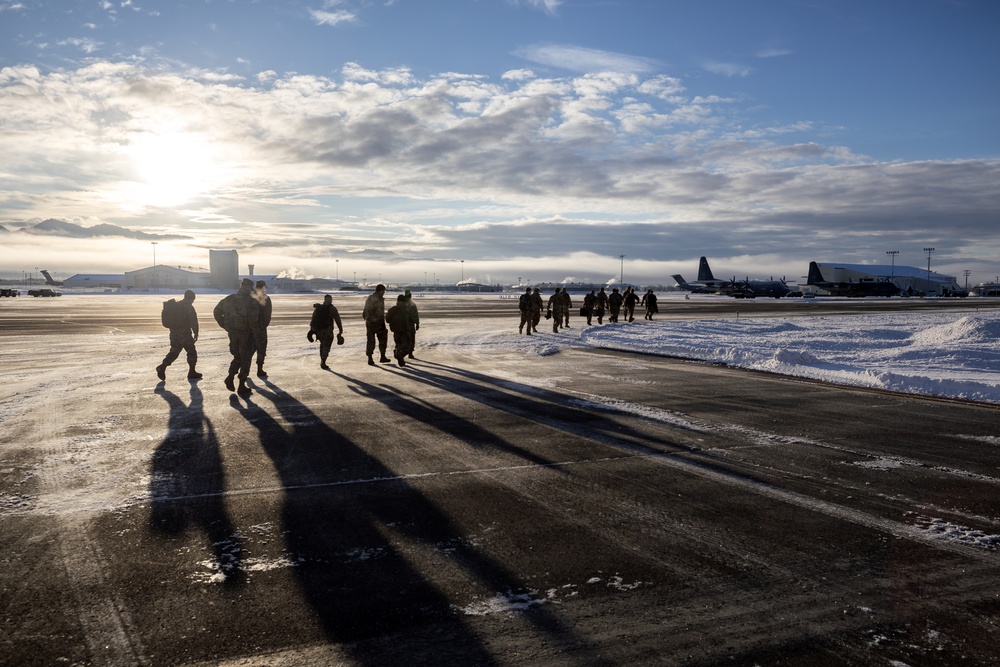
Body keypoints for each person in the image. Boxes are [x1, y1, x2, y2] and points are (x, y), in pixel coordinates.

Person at [214, 278, 260, 397]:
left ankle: (230, 377)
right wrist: (256, 334)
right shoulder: (251, 302)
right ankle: (241, 385)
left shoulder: (229, 299)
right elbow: (254, 320)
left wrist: (225, 325)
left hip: (233, 334)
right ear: (249, 288)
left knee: (238, 357)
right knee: (245, 359)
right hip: (246, 334)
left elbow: (216, 311)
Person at [156, 289, 201, 381]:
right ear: (191, 298)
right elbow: (193, 321)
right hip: (184, 333)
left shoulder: (177, 305)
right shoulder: (188, 306)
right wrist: (196, 332)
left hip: (174, 333)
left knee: (174, 351)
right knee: (191, 351)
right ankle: (192, 371)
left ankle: (162, 366)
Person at [309, 294, 343, 370]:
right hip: (328, 331)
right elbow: (338, 320)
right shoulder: (332, 309)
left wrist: (312, 329)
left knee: (322, 345)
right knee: (326, 346)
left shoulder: (318, 308)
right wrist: (340, 330)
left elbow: (313, 319)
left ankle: (322, 359)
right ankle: (323, 361)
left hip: (319, 330)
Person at [363, 284, 390, 366]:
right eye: (383, 291)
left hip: (370, 323)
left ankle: (371, 358)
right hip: (377, 323)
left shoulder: (370, 298)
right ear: (380, 291)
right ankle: (381, 356)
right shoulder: (377, 299)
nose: (384, 292)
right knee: (382, 339)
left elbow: (365, 312)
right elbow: (378, 312)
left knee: (371, 340)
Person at [252, 280, 272, 378]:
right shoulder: (266, 299)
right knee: (261, 349)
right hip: (260, 329)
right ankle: (259, 370)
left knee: (247, 351)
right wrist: (262, 326)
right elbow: (267, 315)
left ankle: (243, 371)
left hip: (249, 329)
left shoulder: (250, 297)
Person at [385, 294, 412, 367]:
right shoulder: (407, 310)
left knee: (398, 345)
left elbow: (387, 319)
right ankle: (399, 355)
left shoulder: (393, 309)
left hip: (396, 331)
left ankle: (398, 353)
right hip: (404, 331)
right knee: (407, 347)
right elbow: (410, 320)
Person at [403, 289, 419, 359]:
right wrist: (417, 323)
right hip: (410, 325)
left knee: (403, 339)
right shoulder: (412, 304)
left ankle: (401, 352)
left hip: (402, 325)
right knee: (411, 339)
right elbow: (415, 315)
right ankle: (410, 353)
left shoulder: (401, 304)